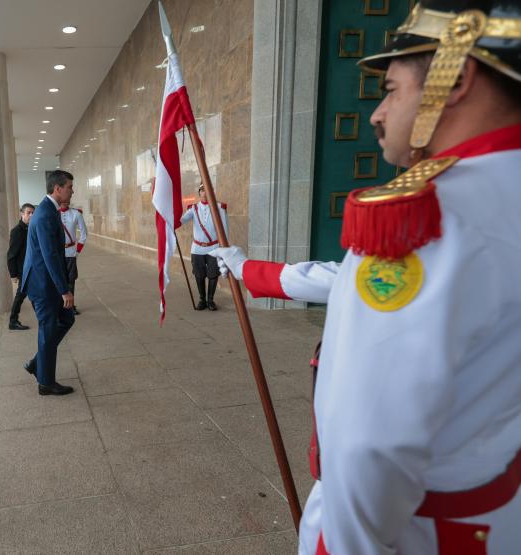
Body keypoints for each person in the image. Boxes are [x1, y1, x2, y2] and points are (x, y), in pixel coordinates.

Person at [212, 3, 521, 552]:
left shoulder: (437, 218)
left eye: (393, 89)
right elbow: (343, 281)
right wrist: (248, 268)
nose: (377, 114)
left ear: (456, 79)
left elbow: (367, 449)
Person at [21, 170, 76, 396]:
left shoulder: (49, 210)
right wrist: (65, 290)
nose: (72, 191)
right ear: (57, 189)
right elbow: (49, 255)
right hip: (41, 285)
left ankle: (37, 363)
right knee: (49, 328)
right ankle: (45, 383)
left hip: (47, 282)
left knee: (66, 319)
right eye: (70, 187)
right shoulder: (44, 214)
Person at [179, 185, 226, 310]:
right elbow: (181, 221)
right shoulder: (193, 209)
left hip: (214, 247)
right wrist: (171, 219)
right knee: (199, 275)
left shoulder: (219, 208)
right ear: (199, 193)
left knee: (213, 274)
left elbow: (224, 230)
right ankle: (202, 300)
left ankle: (210, 300)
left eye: (207, 190)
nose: (205, 193)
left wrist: (224, 248)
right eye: (202, 190)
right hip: (197, 248)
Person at [7, 203, 35, 330]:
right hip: (23, 270)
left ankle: (44, 318)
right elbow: (11, 254)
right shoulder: (17, 231)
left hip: (32, 268)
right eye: (28, 212)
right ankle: (13, 321)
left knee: (34, 294)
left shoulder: (31, 228)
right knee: (21, 295)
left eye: (33, 212)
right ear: (22, 214)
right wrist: (13, 274)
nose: (31, 215)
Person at [59, 200, 87, 315]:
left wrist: (77, 250)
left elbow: (84, 233)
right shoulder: (53, 214)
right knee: (58, 279)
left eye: (67, 200)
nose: (65, 202)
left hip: (70, 252)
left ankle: (70, 306)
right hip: (57, 252)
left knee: (71, 280)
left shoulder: (76, 214)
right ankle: (59, 305)